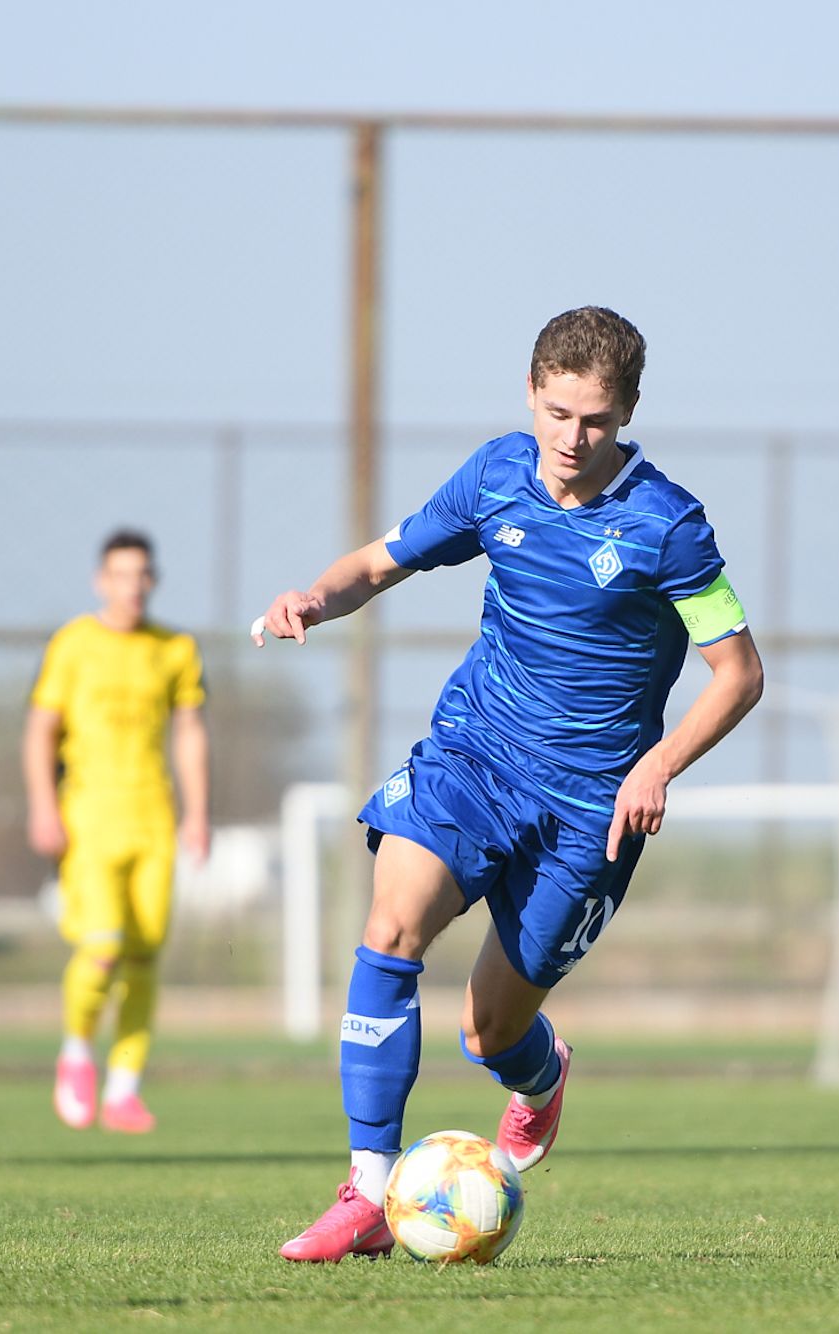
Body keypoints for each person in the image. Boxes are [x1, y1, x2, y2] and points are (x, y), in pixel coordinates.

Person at [252, 306, 763, 1261]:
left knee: (489, 1032)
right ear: (532, 395)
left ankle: (539, 1077)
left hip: (590, 809)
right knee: (391, 925)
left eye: (597, 421)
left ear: (629, 413)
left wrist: (657, 763)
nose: (573, 440)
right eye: (559, 413)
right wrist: (314, 598)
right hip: (474, 756)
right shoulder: (496, 476)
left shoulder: (668, 524)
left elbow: (739, 673)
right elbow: (377, 562)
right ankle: (366, 1191)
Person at [24, 529, 210, 1134]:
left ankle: (124, 1087)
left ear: (152, 581)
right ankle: (77, 1052)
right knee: (101, 945)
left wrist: (198, 813)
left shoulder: (175, 648)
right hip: (89, 819)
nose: (132, 585)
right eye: (121, 574)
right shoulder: (74, 644)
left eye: (142, 575)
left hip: (151, 820)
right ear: (101, 581)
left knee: (143, 954)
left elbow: (188, 733)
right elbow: (40, 732)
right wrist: (43, 807)